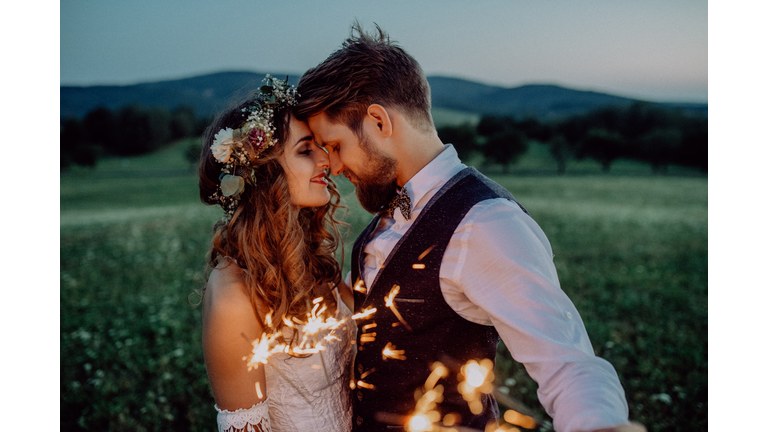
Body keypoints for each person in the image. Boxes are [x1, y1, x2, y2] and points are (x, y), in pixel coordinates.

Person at [295, 25, 646, 432]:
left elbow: (567, 362)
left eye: (335, 146)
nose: (334, 167)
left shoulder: (487, 222)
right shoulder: (386, 210)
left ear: (378, 121)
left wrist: (601, 427)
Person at [197, 76, 356, 432]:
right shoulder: (233, 296)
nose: (326, 160)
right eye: (305, 150)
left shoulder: (312, 262)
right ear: (264, 173)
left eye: (320, 146)